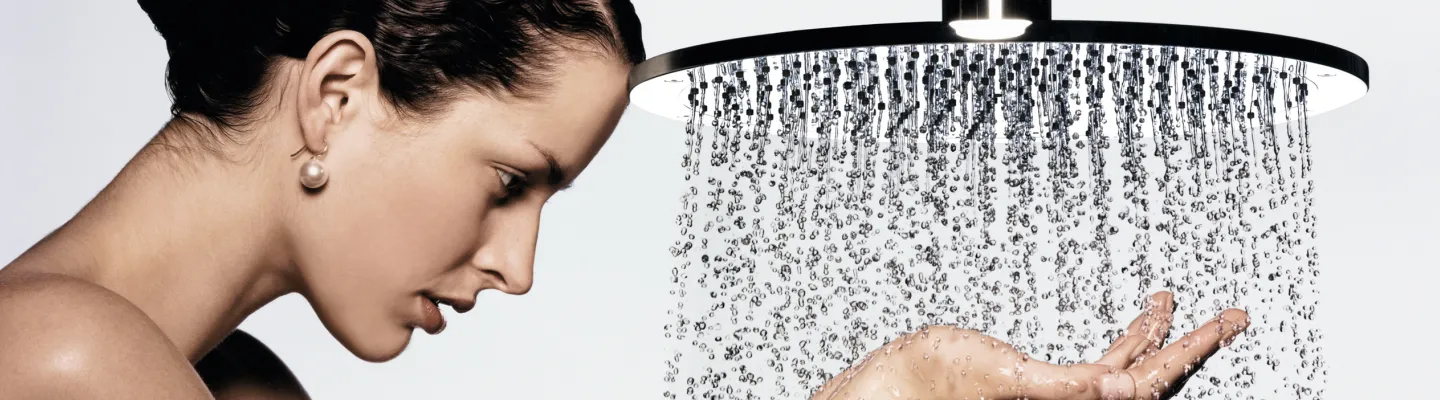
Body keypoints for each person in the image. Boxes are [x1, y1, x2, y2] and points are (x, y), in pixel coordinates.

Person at [0, 0, 1249, 399]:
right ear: (336, 95)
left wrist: (900, 381)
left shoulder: (228, 376)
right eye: (509, 180)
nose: (519, 265)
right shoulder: (66, 358)